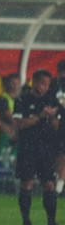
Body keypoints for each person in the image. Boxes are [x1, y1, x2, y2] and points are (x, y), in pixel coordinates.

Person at [14, 69, 60, 225]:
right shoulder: (22, 100)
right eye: (41, 83)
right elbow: (19, 124)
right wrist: (40, 116)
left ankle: (51, 223)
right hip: (28, 147)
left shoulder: (52, 100)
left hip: (46, 147)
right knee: (27, 182)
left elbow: (56, 126)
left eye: (46, 85)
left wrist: (52, 116)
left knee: (49, 184)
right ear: (33, 82)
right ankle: (26, 222)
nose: (43, 87)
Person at [49, 59, 65, 195]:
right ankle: (58, 181)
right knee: (59, 153)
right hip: (58, 124)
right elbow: (50, 103)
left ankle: (60, 182)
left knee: (61, 154)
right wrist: (53, 118)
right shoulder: (54, 84)